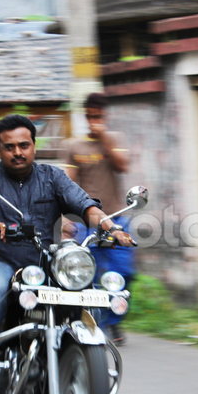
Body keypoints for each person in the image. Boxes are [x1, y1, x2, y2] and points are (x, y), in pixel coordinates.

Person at [0, 114, 135, 394]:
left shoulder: (52, 177)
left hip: (47, 262)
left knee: (87, 289)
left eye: (24, 145)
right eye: (9, 147)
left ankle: (80, 361)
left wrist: (113, 229)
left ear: (33, 145)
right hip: (1, 259)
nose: (17, 152)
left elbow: (85, 205)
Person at [63, 92, 133, 345]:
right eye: (91, 117)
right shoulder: (74, 146)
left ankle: (114, 320)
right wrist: (66, 218)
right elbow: (68, 184)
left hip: (117, 221)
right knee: (87, 275)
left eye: (99, 116)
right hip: (87, 223)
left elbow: (122, 165)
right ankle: (94, 324)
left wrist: (103, 136)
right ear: (85, 116)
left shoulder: (115, 140)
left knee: (123, 272)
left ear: (105, 116)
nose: (94, 121)